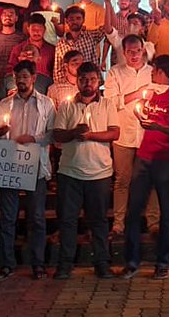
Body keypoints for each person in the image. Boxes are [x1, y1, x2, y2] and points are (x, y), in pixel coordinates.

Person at [121, 55, 169, 279]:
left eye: (153, 71)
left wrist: (160, 128)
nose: (151, 74)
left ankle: (162, 262)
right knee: (134, 211)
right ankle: (132, 261)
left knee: (166, 213)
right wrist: (140, 115)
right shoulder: (151, 93)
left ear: (161, 72)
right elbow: (144, 113)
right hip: (144, 158)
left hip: (166, 161)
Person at [52, 62, 119, 279]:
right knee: (68, 220)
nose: (88, 83)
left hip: (99, 172)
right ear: (77, 82)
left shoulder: (107, 104)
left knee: (99, 220)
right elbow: (57, 134)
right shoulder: (67, 106)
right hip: (70, 172)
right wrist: (74, 132)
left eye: (92, 79)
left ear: (98, 81)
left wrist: (90, 135)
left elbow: (114, 133)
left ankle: (102, 262)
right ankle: (65, 264)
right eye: (83, 79)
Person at [0, 60, 56, 280]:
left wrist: (33, 139)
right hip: (10, 166)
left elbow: (52, 133)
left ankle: (37, 263)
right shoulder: (4, 104)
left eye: (25, 77)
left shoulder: (46, 103)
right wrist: (0, 133)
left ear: (33, 78)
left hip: (34, 166)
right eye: (17, 77)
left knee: (37, 217)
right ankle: (7, 263)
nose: (21, 81)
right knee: (8, 217)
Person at [103, 35, 159, 237]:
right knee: (122, 180)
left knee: (150, 179)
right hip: (124, 133)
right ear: (124, 52)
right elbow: (110, 102)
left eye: (137, 51)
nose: (134, 55)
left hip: (148, 134)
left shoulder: (153, 72)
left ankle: (153, 221)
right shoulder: (115, 73)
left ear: (143, 50)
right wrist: (137, 94)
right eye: (130, 52)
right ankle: (119, 222)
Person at [55, 5, 108, 71]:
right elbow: (58, 69)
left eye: (78, 18)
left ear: (83, 20)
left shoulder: (91, 37)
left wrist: (108, 3)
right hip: (68, 77)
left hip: (88, 76)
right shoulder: (61, 44)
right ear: (66, 21)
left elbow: (106, 28)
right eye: (71, 19)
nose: (75, 22)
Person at [9, 13, 56, 78]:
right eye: (33, 30)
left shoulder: (52, 50)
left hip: (45, 83)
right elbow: (10, 71)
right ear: (28, 29)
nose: (36, 32)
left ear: (44, 29)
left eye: (39, 29)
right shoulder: (18, 49)